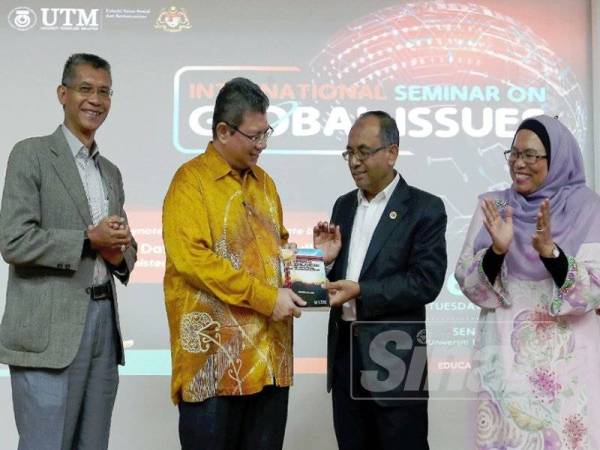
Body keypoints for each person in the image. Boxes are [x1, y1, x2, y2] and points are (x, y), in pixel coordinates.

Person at [0, 53, 137, 450]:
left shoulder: (109, 171)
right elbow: (13, 239)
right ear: (63, 94)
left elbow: (121, 247)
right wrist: (86, 240)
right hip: (47, 335)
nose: (96, 100)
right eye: (85, 89)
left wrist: (117, 253)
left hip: (101, 327)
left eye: (104, 92)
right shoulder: (32, 154)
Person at [162, 77, 305, 450]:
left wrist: (315, 261)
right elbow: (193, 260)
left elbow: (279, 252)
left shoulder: (265, 184)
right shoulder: (190, 182)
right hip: (215, 368)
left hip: (270, 364)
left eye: (266, 133)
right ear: (223, 131)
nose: (262, 145)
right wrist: (265, 298)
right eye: (254, 136)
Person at [455, 114, 600, 449]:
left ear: (558, 159)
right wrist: (496, 250)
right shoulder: (493, 206)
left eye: (531, 155)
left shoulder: (588, 208)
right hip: (504, 359)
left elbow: (593, 288)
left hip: (567, 370)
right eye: (514, 154)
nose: (519, 164)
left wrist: (551, 252)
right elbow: (467, 279)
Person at [314, 111, 447, 450]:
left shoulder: (425, 208)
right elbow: (334, 280)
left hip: (397, 359)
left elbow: (425, 282)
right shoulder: (343, 206)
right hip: (346, 358)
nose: (354, 162)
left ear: (392, 152)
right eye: (349, 153)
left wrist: (362, 291)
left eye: (363, 152)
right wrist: (324, 264)